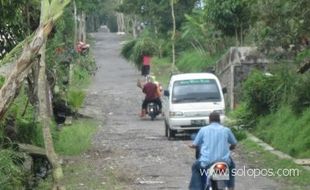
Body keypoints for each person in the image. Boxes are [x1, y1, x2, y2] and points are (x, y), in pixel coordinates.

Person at [188, 112, 237, 190]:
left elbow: (195, 144)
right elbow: (234, 143)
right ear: (219, 120)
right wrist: (231, 147)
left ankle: (196, 188)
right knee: (232, 166)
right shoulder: (226, 130)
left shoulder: (203, 130)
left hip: (207, 163)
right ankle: (230, 186)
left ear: (209, 120)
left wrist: (191, 146)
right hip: (224, 162)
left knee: (195, 167)